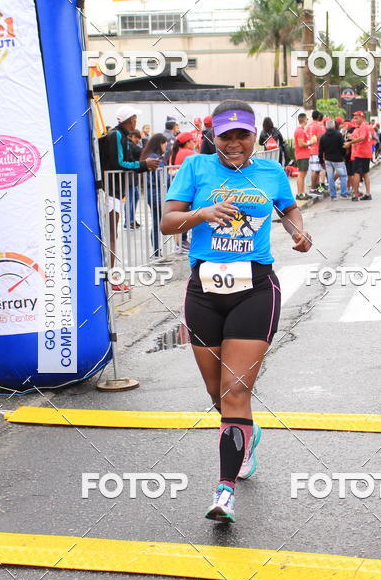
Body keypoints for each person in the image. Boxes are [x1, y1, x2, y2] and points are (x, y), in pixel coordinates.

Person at [161, 99, 312, 523]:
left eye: (242, 135)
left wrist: (298, 231)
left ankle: (224, 491)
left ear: (254, 137)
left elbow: (288, 208)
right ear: (213, 136)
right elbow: (167, 222)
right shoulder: (195, 167)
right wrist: (202, 213)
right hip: (204, 291)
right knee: (218, 395)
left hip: (255, 289)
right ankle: (247, 431)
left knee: (235, 391)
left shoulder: (271, 172)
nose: (234, 143)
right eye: (225, 136)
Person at [99, 105, 158, 289]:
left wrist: (142, 164)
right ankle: (112, 279)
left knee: (112, 235)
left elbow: (126, 161)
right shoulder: (116, 135)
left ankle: (111, 277)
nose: (136, 121)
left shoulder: (120, 135)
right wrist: (143, 164)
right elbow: (119, 163)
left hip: (115, 191)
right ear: (130, 119)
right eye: (134, 118)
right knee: (111, 235)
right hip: (111, 192)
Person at [140, 133, 168, 258]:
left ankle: (157, 250)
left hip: (152, 192)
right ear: (159, 144)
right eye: (164, 144)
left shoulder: (149, 155)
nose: (165, 147)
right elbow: (160, 177)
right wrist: (171, 176)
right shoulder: (154, 158)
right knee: (157, 223)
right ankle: (157, 251)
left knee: (156, 222)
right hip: (157, 192)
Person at [345, 110, 375, 201]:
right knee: (365, 173)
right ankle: (368, 194)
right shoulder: (365, 127)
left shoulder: (363, 126)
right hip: (366, 153)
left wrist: (350, 143)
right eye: (354, 118)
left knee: (356, 173)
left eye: (356, 118)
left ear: (362, 118)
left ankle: (355, 194)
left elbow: (362, 137)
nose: (354, 120)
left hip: (360, 153)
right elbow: (361, 137)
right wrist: (352, 138)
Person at [319, 118, 348, 199]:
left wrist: (321, 161)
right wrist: (343, 156)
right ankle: (343, 194)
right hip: (338, 159)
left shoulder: (323, 137)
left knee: (330, 178)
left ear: (326, 127)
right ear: (334, 126)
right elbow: (343, 146)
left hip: (328, 160)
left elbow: (320, 151)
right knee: (342, 176)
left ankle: (333, 196)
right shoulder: (339, 135)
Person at [305, 110, 326, 194]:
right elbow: (321, 139)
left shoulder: (308, 126)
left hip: (309, 150)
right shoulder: (318, 126)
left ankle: (316, 188)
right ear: (319, 117)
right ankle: (313, 189)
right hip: (317, 150)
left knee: (315, 170)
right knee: (316, 170)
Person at [294, 112, 313, 200]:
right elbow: (301, 144)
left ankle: (302, 193)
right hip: (302, 155)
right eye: (307, 119)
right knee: (301, 174)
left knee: (303, 174)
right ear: (304, 119)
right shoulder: (300, 131)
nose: (307, 121)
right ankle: (299, 193)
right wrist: (310, 142)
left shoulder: (301, 130)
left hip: (303, 155)